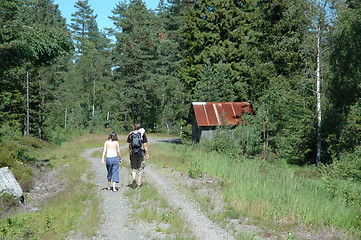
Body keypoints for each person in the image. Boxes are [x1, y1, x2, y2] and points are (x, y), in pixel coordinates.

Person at [127, 123, 149, 189]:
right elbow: (145, 145)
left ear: (134, 127)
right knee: (140, 168)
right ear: (140, 128)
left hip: (133, 153)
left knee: (133, 167)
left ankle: (134, 179)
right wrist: (147, 153)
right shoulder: (142, 134)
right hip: (140, 153)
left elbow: (129, 145)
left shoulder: (131, 134)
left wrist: (129, 152)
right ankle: (138, 184)